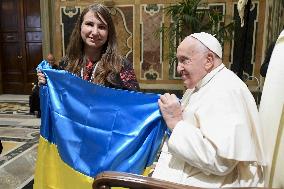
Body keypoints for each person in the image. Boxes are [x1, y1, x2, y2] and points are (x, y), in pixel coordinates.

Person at [152, 32, 266, 187]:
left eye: (184, 60)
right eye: (178, 61)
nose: (178, 68)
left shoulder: (225, 89)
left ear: (208, 60)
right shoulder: (202, 86)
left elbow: (219, 161)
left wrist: (175, 122)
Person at [37, 4, 139, 91]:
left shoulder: (121, 66)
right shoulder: (66, 64)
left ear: (109, 33)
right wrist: (45, 85)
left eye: (102, 27)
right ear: (80, 27)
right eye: (89, 24)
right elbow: (58, 101)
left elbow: (136, 103)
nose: (95, 32)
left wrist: (154, 105)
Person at [30, 53, 57, 118]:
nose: (50, 62)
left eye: (52, 60)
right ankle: (37, 111)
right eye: (49, 61)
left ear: (54, 60)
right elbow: (37, 78)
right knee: (35, 93)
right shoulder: (42, 67)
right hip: (42, 84)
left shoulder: (57, 68)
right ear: (46, 61)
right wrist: (36, 85)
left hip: (53, 87)